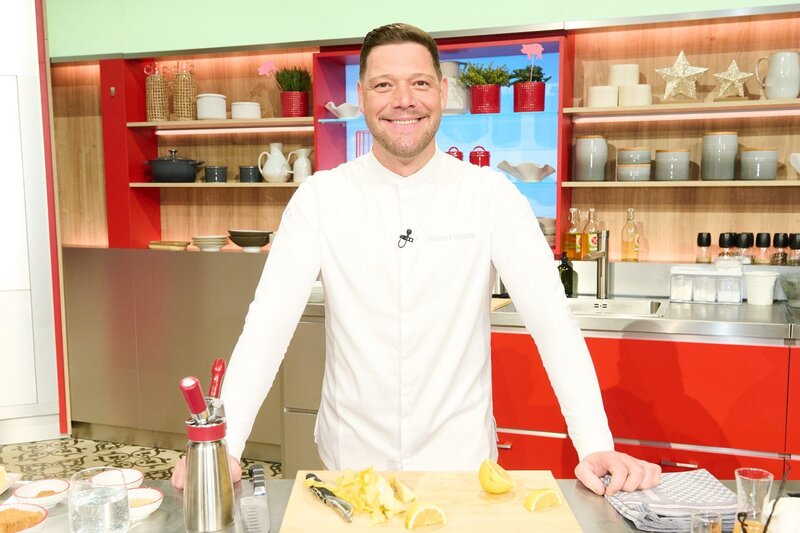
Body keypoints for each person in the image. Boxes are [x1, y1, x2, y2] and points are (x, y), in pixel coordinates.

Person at [172, 22, 661, 496]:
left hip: (461, 465)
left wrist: (595, 443)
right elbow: (268, 325)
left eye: (420, 83)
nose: (403, 100)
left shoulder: (490, 195)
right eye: (384, 84)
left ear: (443, 93)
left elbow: (553, 322)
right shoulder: (321, 197)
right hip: (351, 464)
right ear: (361, 95)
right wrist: (223, 446)